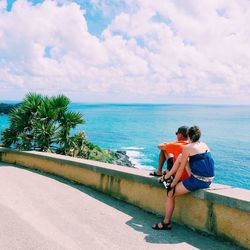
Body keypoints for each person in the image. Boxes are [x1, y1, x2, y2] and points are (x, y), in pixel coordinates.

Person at [152, 125, 214, 230]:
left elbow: (180, 170)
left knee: (170, 194)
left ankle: (166, 223)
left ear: (188, 136)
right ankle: (166, 177)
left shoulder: (188, 148)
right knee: (181, 157)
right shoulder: (204, 144)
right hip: (209, 179)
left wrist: (172, 185)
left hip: (198, 181)